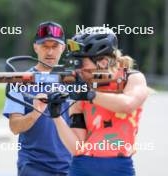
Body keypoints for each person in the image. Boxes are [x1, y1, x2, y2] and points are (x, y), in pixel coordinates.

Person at [47, 27, 149, 176]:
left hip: (119, 168)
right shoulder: (82, 85)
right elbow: (76, 147)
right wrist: (56, 116)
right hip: (81, 167)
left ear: (103, 61)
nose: (78, 69)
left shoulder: (132, 78)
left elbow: (127, 105)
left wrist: (90, 95)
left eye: (81, 63)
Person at [3, 21, 71, 176]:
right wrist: (36, 112)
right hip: (34, 167)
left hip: (70, 166)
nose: (50, 52)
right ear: (35, 47)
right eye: (45, 46)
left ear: (63, 47)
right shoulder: (19, 80)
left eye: (54, 46)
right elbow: (15, 127)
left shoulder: (73, 80)